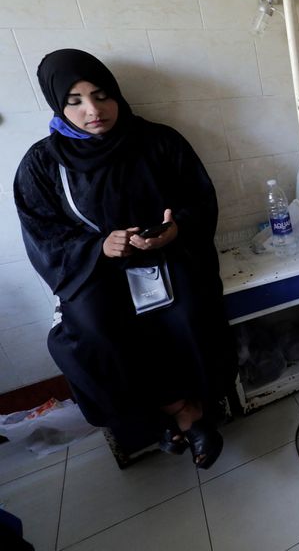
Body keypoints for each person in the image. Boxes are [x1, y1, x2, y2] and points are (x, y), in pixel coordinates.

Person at [14, 49, 234, 469]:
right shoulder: (43, 164)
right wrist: (99, 247)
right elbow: (42, 233)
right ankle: (165, 417)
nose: (93, 110)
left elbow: (199, 199)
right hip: (92, 270)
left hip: (167, 256)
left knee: (189, 313)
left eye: (102, 96)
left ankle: (196, 409)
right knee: (94, 331)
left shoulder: (159, 142)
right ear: (57, 105)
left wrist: (175, 230)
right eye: (75, 101)